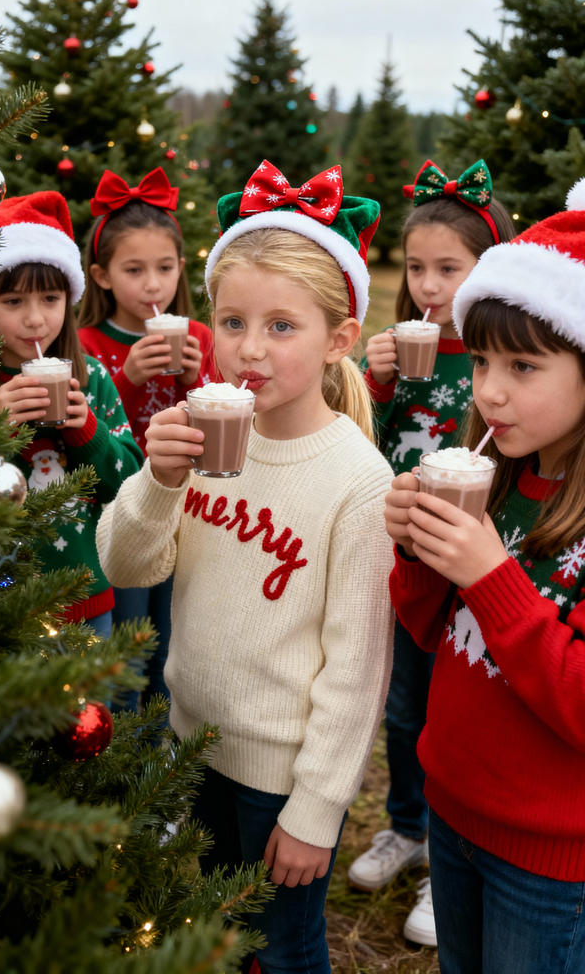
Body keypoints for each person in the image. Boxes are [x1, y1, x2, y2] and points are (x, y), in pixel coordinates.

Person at [96, 160, 395, 972]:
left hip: (280, 777)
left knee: (283, 949)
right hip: (193, 745)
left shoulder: (358, 482)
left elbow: (357, 668)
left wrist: (318, 809)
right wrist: (157, 481)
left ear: (340, 339)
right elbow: (128, 563)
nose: (248, 350)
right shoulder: (202, 433)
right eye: (231, 323)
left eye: (281, 327)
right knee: (219, 928)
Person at [385, 180, 585, 974]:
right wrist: (415, 550)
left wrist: (494, 577)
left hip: (550, 860)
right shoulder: (496, 481)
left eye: (525, 366)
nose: (490, 390)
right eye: (485, 362)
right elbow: (430, 632)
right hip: (452, 812)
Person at [350, 160, 516, 947]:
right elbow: (355, 447)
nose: (427, 285)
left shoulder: (497, 364)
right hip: (407, 553)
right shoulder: (395, 356)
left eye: (449, 269)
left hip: (477, 560)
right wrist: (373, 387)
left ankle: (446, 866)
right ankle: (408, 827)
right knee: (404, 701)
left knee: (457, 702)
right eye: (416, 268)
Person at [78, 168, 217, 710]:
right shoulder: (88, 344)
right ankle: (126, 747)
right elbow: (87, 428)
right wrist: (128, 380)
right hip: (127, 511)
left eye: (164, 268)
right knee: (132, 642)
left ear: (181, 268)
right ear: (103, 275)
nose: (153, 284)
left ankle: (162, 754)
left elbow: (222, 425)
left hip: (191, 508)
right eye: (134, 270)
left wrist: (191, 381)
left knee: (176, 639)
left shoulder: (198, 337)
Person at [0, 191, 142, 636]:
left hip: (86, 598)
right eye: (13, 302)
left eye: (50, 299)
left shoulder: (92, 379)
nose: (36, 320)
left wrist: (88, 429)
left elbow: (131, 484)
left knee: (93, 708)